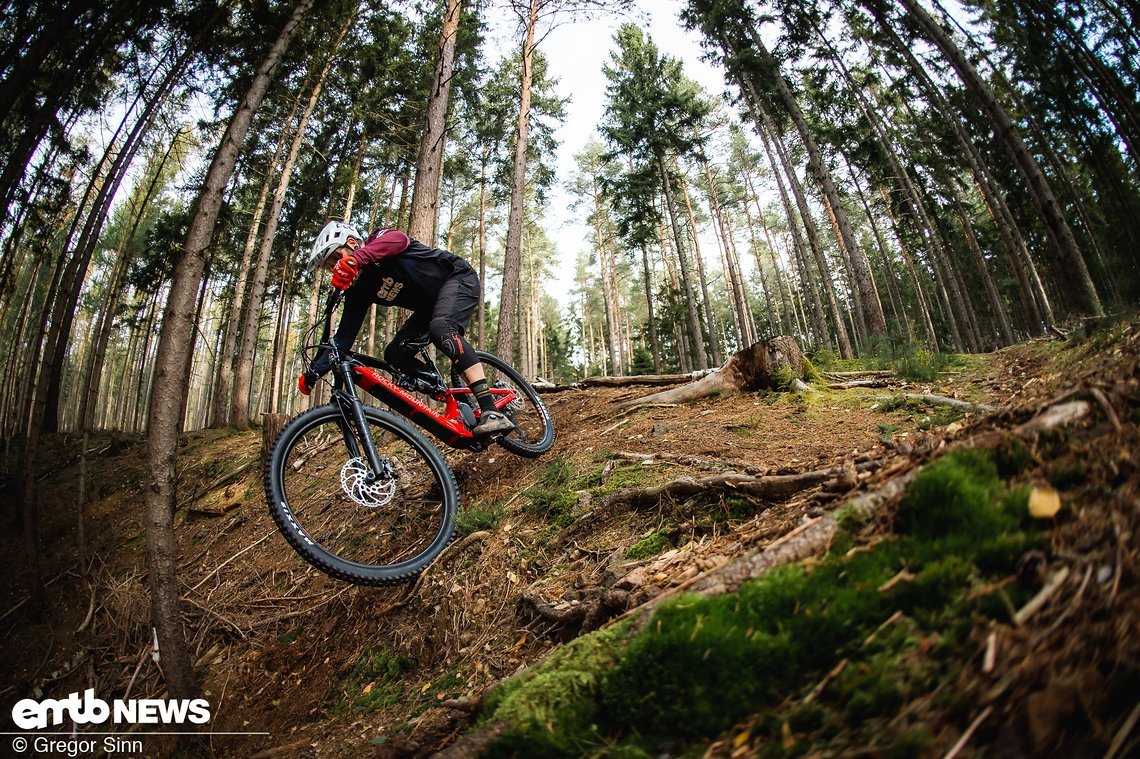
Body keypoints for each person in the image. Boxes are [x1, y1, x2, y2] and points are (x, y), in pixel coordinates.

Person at [297, 220, 515, 437]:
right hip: (431, 307)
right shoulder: (358, 291)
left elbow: (399, 240)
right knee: (395, 355)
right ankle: (451, 396)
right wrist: (314, 371)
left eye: (336, 258)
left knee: (441, 328)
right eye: (329, 267)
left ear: (353, 243)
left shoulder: (379, 240)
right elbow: (342, 341)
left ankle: (491, 410)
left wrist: (356, 259)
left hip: (458, 278)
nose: (335, 267)